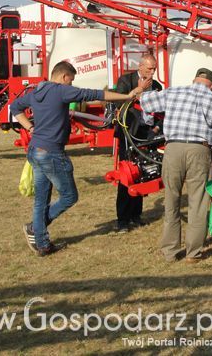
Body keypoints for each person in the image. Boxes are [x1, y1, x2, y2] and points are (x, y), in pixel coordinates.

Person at [12, 60, 150, 256]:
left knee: (41, 200)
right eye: (71, 80)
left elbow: (15, 106)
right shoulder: (61, 90)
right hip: (51, 153)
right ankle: (37, 228)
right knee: (69, 196)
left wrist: (30, 128)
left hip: (35, 150)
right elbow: (96, 94)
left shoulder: (36, 92)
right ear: (64, 77)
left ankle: (42, 243)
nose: (71, 84)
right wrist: (127, 95)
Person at [139, 67, 212, 263]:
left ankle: (170, 252)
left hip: (172, 149)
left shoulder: (174, 92)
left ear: (194, 80)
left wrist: (143, 86)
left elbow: (145, 102)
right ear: (211, 86)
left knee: (172, 201)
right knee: (198, 203)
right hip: (199, 151)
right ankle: (193, 253)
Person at [113, 54, 163, 233]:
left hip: (147, 134)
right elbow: (119, 102)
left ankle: (136, 215)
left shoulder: (157, 86)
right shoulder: (126, 81)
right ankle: (123, 219)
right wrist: (139, 89)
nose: (152, 73)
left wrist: (156, 130)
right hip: (129, 133)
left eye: (154, 69)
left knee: (143, 172)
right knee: (127, 174)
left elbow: (162, 111)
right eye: (149, 69)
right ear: (140, 67)